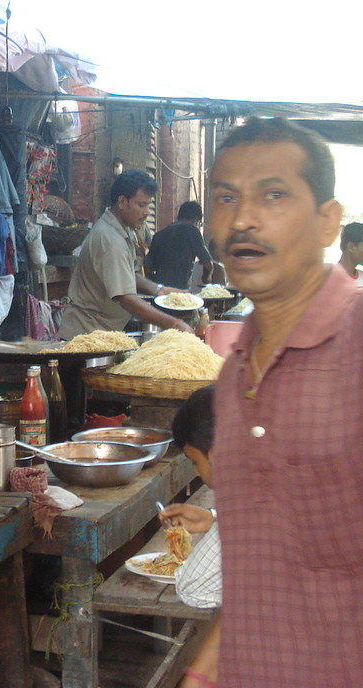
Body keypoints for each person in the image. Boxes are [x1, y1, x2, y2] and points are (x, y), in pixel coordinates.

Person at [207, 117, 355, 688]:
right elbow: (263, 567)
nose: (242, 219)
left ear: (327, 221)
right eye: (226, 198)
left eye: (273, 195)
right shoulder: (233, 374)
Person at [58, 170, 194, 340]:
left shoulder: (123, 230)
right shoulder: (111, 240)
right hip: (85, 335)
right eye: (141, 205)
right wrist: (175, 324)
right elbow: (127, 299)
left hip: (102, 332)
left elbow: (128, 274)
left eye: (148, 206)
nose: (146, 212)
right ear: (122, 202)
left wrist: (159, 290)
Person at [158, 385, 221, 688]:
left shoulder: (251, 498)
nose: (198, 472)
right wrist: (211, 519)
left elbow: (194, 587)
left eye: (195, 462)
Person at [144, 200, 213, 289]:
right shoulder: (192, 230)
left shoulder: (159, 235)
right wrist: (207, 277)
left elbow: (147, 269)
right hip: (180, 291)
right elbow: (208, 264)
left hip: (160, 292)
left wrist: (157, 283)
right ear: (197, 219)